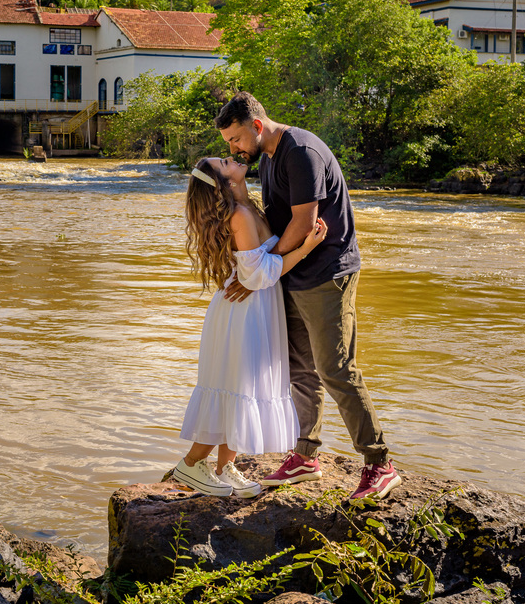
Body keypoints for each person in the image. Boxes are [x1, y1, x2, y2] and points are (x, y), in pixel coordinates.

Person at [214, 92, 402, 502]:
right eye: (229, 143)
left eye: (236, 139)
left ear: (257, 127)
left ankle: (379, 464)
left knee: (336, 368)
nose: (233, 149)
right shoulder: (267, 158)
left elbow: (303, 223)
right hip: (295, 273)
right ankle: (305, 456)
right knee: (300, 369)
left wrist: (260, 271)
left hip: (327, 272)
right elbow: (279, 222)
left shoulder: (300, 151)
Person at [171, 155, 329, 497]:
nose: (230, 156)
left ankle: (224, 467)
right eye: (223, 162)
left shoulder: (247, 207)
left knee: (242, 391)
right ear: (224, 182)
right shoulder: (240, 216)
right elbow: (256, 276)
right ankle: (191, 464)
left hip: (254, 307)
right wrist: (306, 248)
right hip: (242, 311)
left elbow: (259, 265)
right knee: (233, 387)